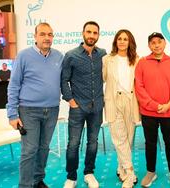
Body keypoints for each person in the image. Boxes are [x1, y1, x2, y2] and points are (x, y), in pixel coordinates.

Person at [7, 22, 63, 188]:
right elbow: (14, 85)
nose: (47, 38)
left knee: (44, 148)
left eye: (50, 34)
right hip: (29, 111)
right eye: (43, 34)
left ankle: (38, 180)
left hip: (52, 110)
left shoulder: (59, 56)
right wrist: (12, 114)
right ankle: (25, 185)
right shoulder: (23, 56)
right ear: (35, 36)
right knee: (29, 150)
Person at [135, 32, 170, 188]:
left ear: (164, 43)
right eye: (153, 42)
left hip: (169, 111)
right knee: (150, 143)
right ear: (149, 45)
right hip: (149, 112)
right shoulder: (142, 62)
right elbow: (139, 87)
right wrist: (155, 105)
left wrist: (169, 104)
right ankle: (150, 172)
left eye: (159, 42)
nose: (156, 45)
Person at [61, 21, 106, 188]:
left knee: (93, 142)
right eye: (89, 32)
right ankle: (71, 177)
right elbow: (64, 80)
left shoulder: (103, 54)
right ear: (83, 33)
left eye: (95, 33)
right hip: (78, 107)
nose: (92, 35)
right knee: (73, 143)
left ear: (98, 35)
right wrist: (71, 101)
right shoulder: (71, 55)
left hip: (97, 107)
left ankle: (89, 173)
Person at [102, 29, 140, 188]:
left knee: (128, 139)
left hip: (131, 101)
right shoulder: (107, 59)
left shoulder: (137, 60)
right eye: (120, 39)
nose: (122, 41)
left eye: (126, 39)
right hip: (113, 101)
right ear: (115, 41)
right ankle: (130, 173)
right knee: (119, 139)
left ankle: (121, 168)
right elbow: (102, 79)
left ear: (130, 41)